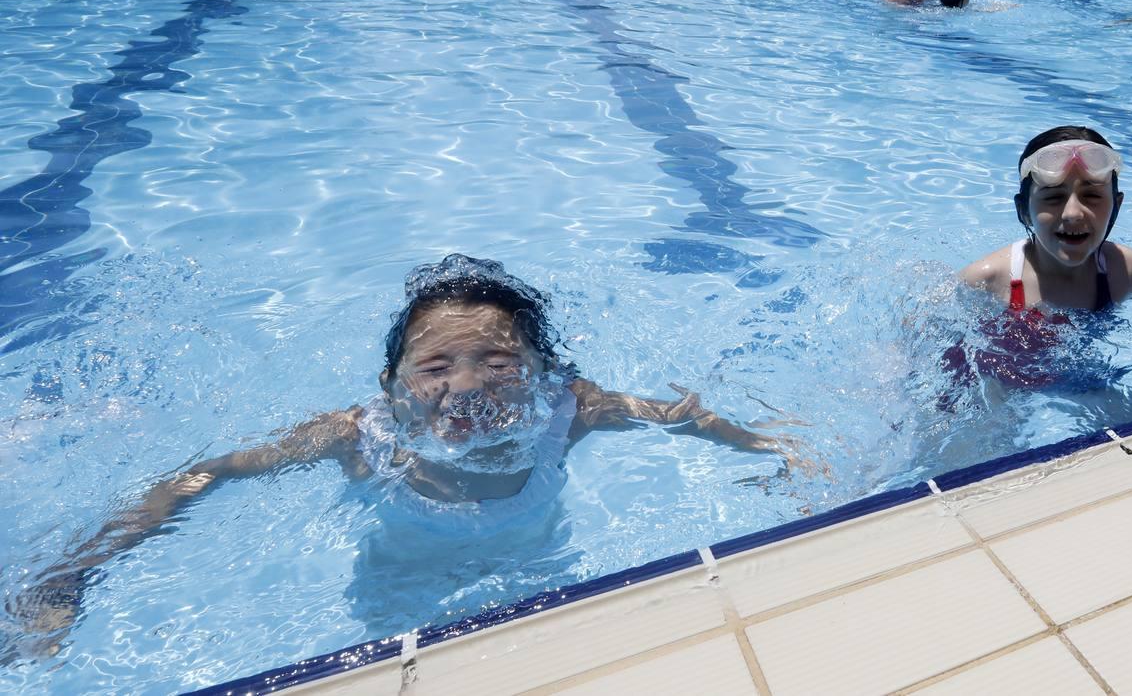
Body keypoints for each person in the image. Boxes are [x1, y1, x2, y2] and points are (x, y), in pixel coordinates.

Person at [11, 255, 809, 653]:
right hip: (395, 598)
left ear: (542, 372)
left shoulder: (569, 410)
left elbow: (680, 417)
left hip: (538, 578)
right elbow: (202, 477)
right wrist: (71, 570)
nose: (465, 388)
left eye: (498, 362)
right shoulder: (356, 436)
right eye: (434, 367)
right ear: (391, 387)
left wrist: (778, 449)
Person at [958, 127, 1132, 344]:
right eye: (1054, 197)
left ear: (1116, 207)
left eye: (1092, 195)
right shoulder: (987, 280)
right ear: (1024, 212)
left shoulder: (1124, 270)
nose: (1073, 213)